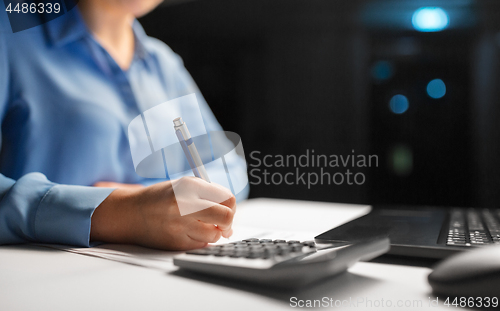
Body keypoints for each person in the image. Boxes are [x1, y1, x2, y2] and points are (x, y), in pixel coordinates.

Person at [0, 0, 248, 250]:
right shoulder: (9, 29)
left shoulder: (162, 62)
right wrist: (118, 211)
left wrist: (149, 198)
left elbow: (230, 168)